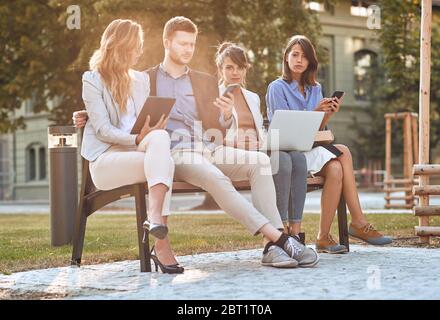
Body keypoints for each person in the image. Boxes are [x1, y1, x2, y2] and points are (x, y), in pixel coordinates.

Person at [75, 17, 319, 269]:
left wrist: (225, 115)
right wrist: (85, 115)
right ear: (166, 42)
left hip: (209, 146)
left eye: (192, 44)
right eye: (182, 44)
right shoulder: (146, 79)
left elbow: (218, 126)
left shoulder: (204, 81)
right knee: (216, 178)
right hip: (177, 152)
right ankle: (281, 240)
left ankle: (271, 247)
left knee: (261, 161)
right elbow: (118, 102)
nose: (188, 50)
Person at [266, 35, 392, 253]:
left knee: (336, 167)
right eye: (295, 54)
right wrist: (315, 112)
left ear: (310, 62)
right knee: (343, 152)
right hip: (288, 153)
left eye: (304, 56)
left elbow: (317, 131)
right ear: (286, 58)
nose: (299, 60)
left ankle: (324, 237)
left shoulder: (315, 88)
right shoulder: (277, 87)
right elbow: (284, 130)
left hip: (309, 147)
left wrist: (326, 115)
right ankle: (358, 223)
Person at [80, 19, 184, 274]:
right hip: (106, 161)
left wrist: (154, 125)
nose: (139, 52)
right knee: (165, 163)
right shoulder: (92, 80)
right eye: (136, 46)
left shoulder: (140, 80)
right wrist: (137, 139)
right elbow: (103, 130)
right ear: (122, 47)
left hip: (138, 152)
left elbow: (142, 124)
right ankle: (162, 243)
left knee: (160, 139)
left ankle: (155, 219)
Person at [215, 42, 309, 247]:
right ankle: (280, 229)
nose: (235, 72)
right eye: (229, 67)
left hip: (258, 148)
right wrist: (237, 143)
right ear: (220, 69)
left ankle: (296, 230)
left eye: (240, 67)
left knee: (298, 159)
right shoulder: (214, 95)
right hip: (232, 153)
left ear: (246, 68)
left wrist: (268, 141)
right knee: (282, 161)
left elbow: (260, 130)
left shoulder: (252, 97)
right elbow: (211, 135)